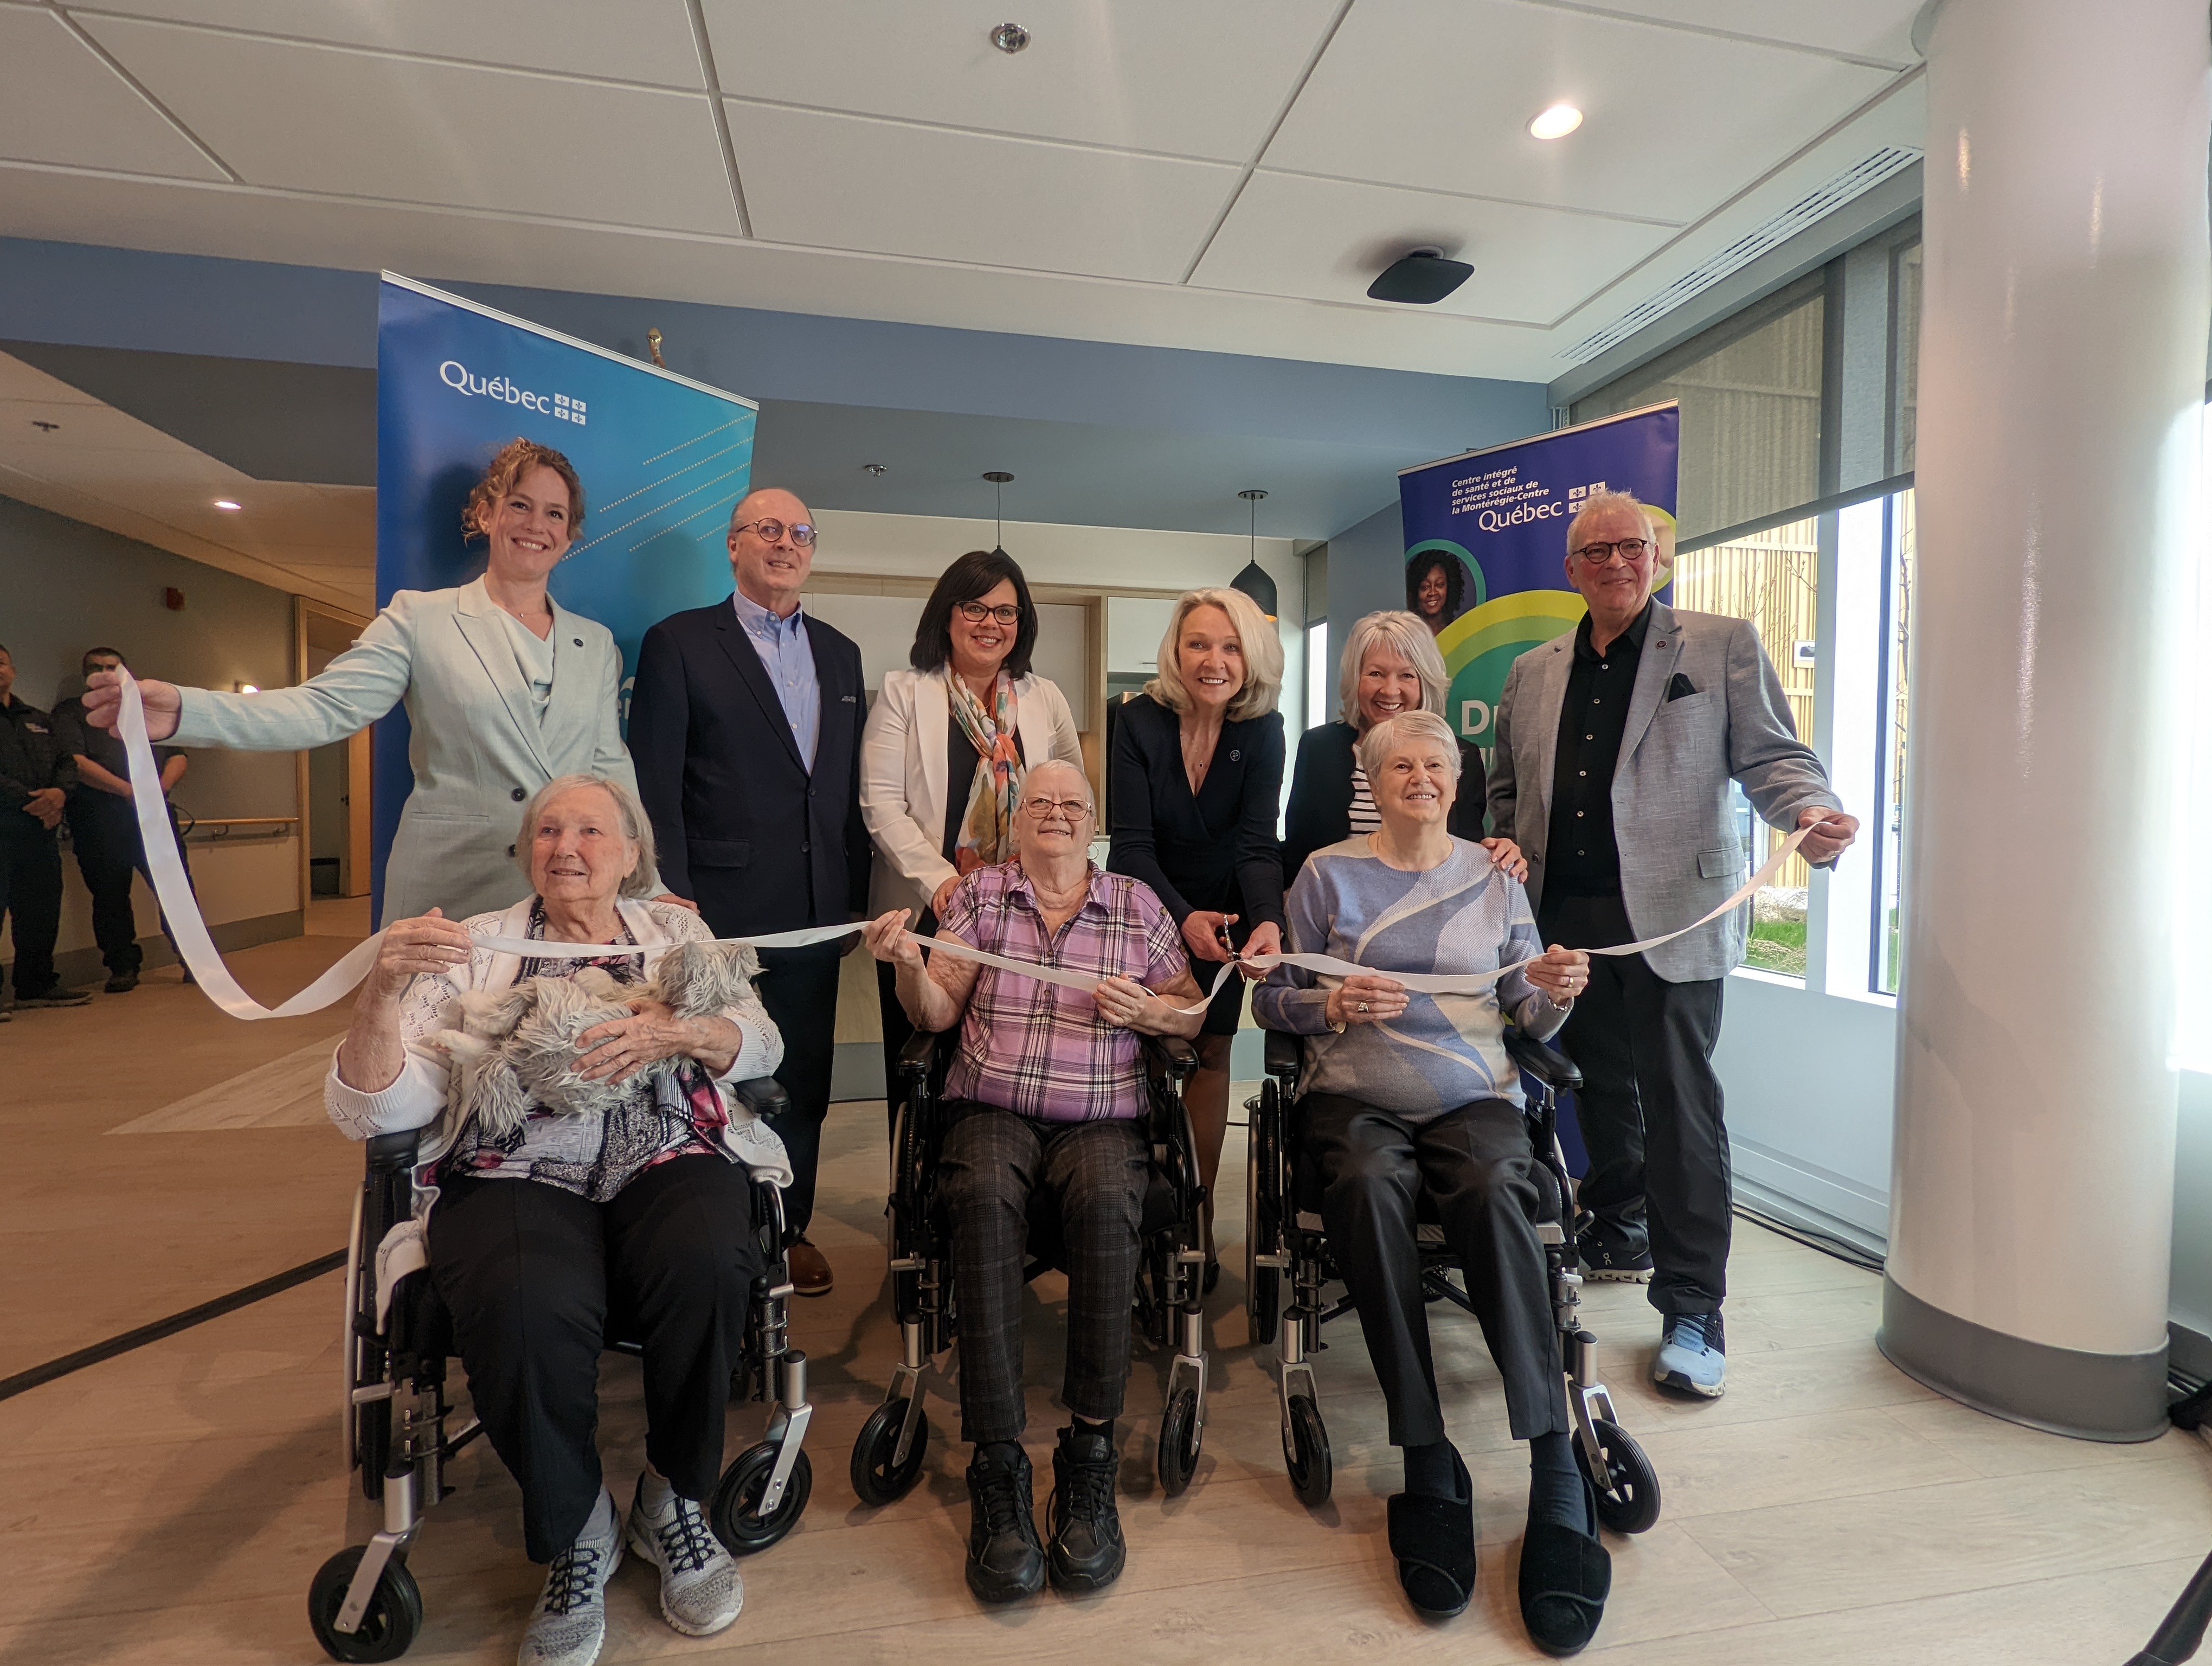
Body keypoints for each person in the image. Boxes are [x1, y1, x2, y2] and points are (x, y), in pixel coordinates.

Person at [325, 773, 788, 1666]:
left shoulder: (677, 934)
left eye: (588, 830)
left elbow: (761, 1044)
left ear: (630, 854)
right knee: (522, 1298)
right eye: (547, 830)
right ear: (525, 851)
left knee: (709, 1259)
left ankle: (672, 1498)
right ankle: (579, 1526)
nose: (565, 846)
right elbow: (378, 1113)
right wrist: (381, 990)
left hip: (662, 1143)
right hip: (515, 1157)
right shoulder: (476, 946)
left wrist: (676, 1033)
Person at [1489, 489, 1859, 1399]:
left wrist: (1807, 812)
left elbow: (1774, 757)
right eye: (1597, 551)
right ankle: (1618, 1223)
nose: (1617, 561)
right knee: (1596, 1086)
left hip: (1673, 920)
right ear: (1571, 570)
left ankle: (1695, 1305)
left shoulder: (1717, 645)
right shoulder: (1531, 672)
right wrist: (1502, 848)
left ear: (1657, 558)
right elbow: (1504, 790)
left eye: (1633, 546)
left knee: (1681, 1105)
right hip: (1561, 926)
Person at [1252, 709, 1606, 1651]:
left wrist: (1557, 988)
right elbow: (1271, 998)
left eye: (1436, 764)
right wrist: (1326, 1000)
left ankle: (1551, 1458)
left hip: (1472, 1095)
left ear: (1456, 779)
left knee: (1501, 1187)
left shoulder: (1494, 875)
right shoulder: (1327, 873)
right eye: (1400, 763)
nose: (1420, 776)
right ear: (1373, 778)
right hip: (1354, 1097)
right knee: (1366, 1182)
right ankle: (1424, 1449)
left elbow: (1525, 1005)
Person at [862, 759, 1204, 1603]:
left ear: (1093, 822)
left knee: (1106, 1200)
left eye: (1072, 804)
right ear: (1015, 824)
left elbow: (1192, 1008)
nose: (1055, 813)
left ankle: (1089, 1454)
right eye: (1039, 803)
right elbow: (936, 1015)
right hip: (990, 1109)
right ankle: (999, 1464)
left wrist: (1152, 1014)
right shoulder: (980, 899)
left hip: (1102, 1115)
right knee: (976, 1198)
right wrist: (908, 965)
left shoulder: (1135, 904)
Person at [80, 438, 661, 925]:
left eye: (555, 514)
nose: (536, 526)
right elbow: (320, 710)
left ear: (570, 532)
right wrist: (187, 712)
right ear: (486, 514)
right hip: (449, 884)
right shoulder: (420, 618)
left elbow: (611, 773)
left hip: (568, 890)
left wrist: (649, 889)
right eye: (520, 505)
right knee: (427, 1054)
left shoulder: (595, 643)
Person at [628, 488, 869, 1300]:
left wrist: (856, 898)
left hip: (814, 911)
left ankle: (789, 1227)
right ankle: (717, 1231)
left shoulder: (840, 654)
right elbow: (655, 787)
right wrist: (673, 897)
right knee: (714, 1073)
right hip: (715, 918)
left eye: (801, 531)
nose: (786, 543)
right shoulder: (682, 643)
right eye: (768, 529)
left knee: (801, 1080)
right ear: (733, 546)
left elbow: (838, 792)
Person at [859, 547, 1084, 1103]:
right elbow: (881, 804)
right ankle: (916, 1188)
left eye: (1006, 612)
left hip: (1024, 917)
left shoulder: (1044, 698)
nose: (991, 624)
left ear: (1022, 622)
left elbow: (1073, 798)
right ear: (947, 613)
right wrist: (943, 885)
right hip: (926, 911)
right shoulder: (905, 691)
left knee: (1006, 1065)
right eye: (975, 608)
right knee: (921, 1077)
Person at [1107, 586, 1284, 1288]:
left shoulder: (1262, 731)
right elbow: (1130, 847)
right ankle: (1134, 1209)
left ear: (1251, 654)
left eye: (1230, 645)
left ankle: (1195, 1217)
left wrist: (1266, 917)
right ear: (1176, 653)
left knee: (1212, 1056)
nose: (1214, 660)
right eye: (1199, 644)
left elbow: (1256, 847)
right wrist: (1181, 918)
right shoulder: (1139, 722)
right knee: (1147, 1058)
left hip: (1227, 920)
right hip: (1149, 912)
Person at [1282, 608, 1520, 882]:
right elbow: (1297, 853)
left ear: (1426, 682)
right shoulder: (1318, 749)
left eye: (1407, 676)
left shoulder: (1460, 755)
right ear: (1355, 679)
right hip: (1335, 915)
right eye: (1375, 674)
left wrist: (1496, 852)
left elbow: (1465, 853)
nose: (1390, 690)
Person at [54, 646, 192, 992]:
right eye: (95, 668)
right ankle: (122, 967)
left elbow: (178, 755)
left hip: (155, 816)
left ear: (124, 673)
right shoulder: (72, 713)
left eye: (111, 668)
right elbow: (77, 762)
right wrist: (130, 792)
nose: (103, 672)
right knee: (110, 898)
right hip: (100, 818)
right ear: (86, 675)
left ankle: (196, 960)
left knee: (177, 891)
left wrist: (158, 789)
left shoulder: (146, 711)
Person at [0, 644, 91, 1013]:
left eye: (2, 662)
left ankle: (35, 986)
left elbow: (67, 764)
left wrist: (59, 795)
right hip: (5, 826)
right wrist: (31, 801)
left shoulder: (37, 719)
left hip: (39, 834)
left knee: (40, 912)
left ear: (13, 670)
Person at [1407, 550, 1467, 636]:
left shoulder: (1460, 634)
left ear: (1450, 588)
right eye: (1425, 587)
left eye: (1439, 585)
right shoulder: (1408, 637)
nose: (1432, 592)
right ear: (1415, 591)